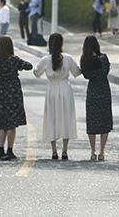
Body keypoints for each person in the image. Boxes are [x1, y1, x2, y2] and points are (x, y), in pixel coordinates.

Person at [33, 32, 81, 160]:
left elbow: (36, 73)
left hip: (52, 89)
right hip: (65, 88)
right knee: (66, 117)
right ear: (62, 44)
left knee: (52, 118)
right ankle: (65, 150)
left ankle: (54, 151)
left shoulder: (46, 59)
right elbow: (77, 72)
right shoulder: (68, 58)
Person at [0, 35, 32, 160]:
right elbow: (28, 65)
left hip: (1, 90)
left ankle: (0, 149)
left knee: (3, 122)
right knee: (12, 122)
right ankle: (10, 150)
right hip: (13, 90)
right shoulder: (13, 59)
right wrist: (19, 66)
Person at [80, 35, 112, 161]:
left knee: (92, 120)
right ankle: (102, 151)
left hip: (92, 90)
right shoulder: (103, 58)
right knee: (105, 120)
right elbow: (106, 71)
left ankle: (92, 150)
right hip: (103, 89)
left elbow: (86, 75)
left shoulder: (85, 60)